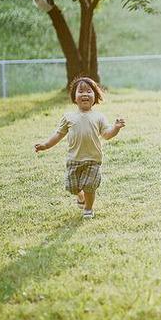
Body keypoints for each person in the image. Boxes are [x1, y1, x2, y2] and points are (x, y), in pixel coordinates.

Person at [34, 77, 125, 219]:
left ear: (95, 96)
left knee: (89, 186)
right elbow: (58, 135)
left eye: (89, 91)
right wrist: (45, 145)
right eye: (80, 91)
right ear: (74, 97)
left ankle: (88, 208)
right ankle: (80, 197)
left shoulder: (99, 117)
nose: (85, 94)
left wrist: (116, 128)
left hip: (93, 159)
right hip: (74, 159)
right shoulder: (68, 117)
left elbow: (107, 135)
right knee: (72, 187)